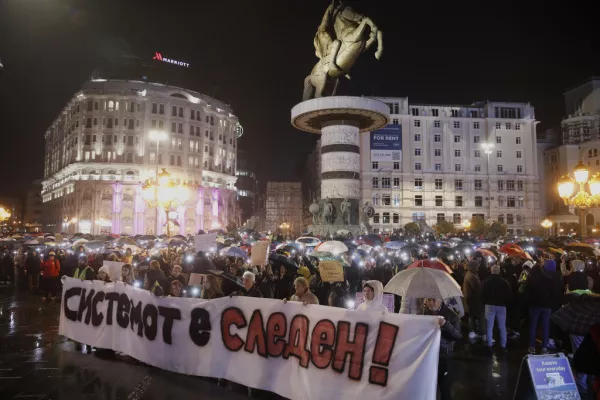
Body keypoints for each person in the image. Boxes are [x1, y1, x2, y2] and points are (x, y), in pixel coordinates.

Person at [423, 297, 462, 400]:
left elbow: (457, 336)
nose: (430, 303)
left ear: (440, 299)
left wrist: (445, 324)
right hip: (427, 355)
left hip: (443, 356)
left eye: (433, 300)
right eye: (428, 300)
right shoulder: (423, 313)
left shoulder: (451, 315)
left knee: (444, 386)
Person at [525, 259, 561, 354]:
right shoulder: (552, 279)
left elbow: (528, 291)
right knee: (546, 326)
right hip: (547, 306)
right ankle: (544, 347)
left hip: (535, 305)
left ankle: (531, 346)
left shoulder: (534, 277)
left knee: (533, 326)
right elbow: (555, 293)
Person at [482, 265, 511, 351]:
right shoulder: (504, 282)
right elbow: (508, 295)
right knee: (502, 326)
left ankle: (489, 344)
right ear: (499, 271)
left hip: (489, 305)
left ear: (491, 271)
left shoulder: (486, 282)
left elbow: (483, 294)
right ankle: (503, 345)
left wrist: (485, 302)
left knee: (489, 326)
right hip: (501, 306)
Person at [463, 260, 486, 340]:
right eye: (476, 266)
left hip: (472, 301)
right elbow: (477, 289)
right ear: (473, 267)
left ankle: (473, 332)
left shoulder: (471, 274)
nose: (478, 268)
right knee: (478, 316)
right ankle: (481, 333)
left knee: (472, 316)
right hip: (474, 301)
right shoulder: (471, 276)